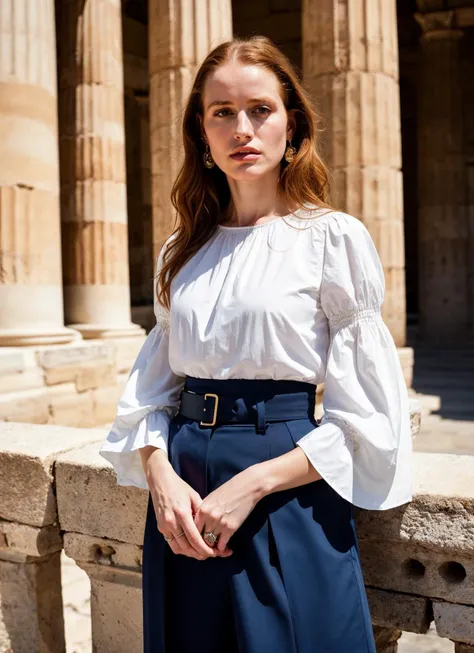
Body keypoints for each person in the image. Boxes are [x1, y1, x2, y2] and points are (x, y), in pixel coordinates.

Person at [100, 35, 412, 653]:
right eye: (222, 112)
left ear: (290, 123)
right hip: (183, 501)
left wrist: (253, 484)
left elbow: (368, 417)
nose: (242, 128)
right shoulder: (180, 251)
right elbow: (153, 393)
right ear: (202, 132)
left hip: (286, 488)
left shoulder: (331, 238)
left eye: (260, 109)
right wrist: (159, 475)